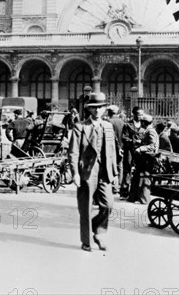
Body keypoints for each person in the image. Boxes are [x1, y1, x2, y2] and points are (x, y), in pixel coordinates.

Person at [68, 92, 118, 252]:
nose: (97, 111)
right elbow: (73, 152)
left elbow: (113, 150)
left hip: (105, 171)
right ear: (89, 109)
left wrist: (115, 173)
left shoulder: (109, 126)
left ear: (105, 109)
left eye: (101, 108)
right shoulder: (80, 127)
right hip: (86, 172)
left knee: (108, 204)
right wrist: (75, 173)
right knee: (85, 208)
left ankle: (98, 231)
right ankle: (86, 241)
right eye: (94, 108)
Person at [128, 114, 158, 205]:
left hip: (148, 158)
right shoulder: (147, 131)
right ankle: (134, 197)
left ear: (145, 123)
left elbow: (152, 146)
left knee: (145, 178)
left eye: (142, 122)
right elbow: (147, 142)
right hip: (143, 158)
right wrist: (140, 142)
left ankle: (144, 199)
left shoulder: (151, 131)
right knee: (138, 177)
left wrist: (141, 148)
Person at [120, 106, 145, 198]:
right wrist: (134, 141)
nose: (140, 117)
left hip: (140, 151)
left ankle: (136, 192)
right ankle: (124, 192)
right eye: (138, 115)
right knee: (127, 170)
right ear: (133, 115)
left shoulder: (144, 125)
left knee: (139, 170)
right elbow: (124, 138)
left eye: (142, 115)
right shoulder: (128, 125)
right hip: (129, 150)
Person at [105, 105, 124, 195]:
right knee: (119, 167)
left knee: (110, 166)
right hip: (121, 147)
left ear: (109, 112)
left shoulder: (108, 121)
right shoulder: (122, 122)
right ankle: (118, 186)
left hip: (111, 147)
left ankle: (112, 186)